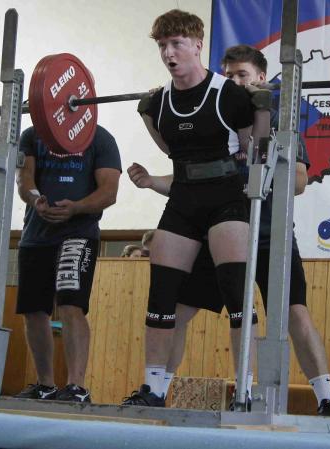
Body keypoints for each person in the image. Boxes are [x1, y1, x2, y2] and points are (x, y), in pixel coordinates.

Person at [126, 44, 330, 416]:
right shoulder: (216, 116)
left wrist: (255, 176)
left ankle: (326, 400)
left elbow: (300, 181)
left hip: (268, 235)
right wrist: (151, 182)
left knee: (294, 314)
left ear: (261, 79)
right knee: (177, 311)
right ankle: (156, 391)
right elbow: (189, 180)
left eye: (242, 75)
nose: (234, 82)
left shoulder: (275, 124)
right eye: (229, 76)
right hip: (216, 235)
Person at [122, 9, 256, 407]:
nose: (169, 53)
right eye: (163, 45)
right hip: (183, 200)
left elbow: (251, 151)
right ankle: (153, 390)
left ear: (198, 45)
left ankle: (245, 392)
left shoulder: (231, 96)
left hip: (226, 199)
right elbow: (172, 152)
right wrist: (151, 181)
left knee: (238, 297)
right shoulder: (154, 105)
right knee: (161, 297)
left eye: (177, 44)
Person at [13, 125, 121, 403]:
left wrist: (76, 207)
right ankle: (45, 385)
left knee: (71, 305)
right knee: (33, 310)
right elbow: (24, 179)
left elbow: (109, 192)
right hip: (35, 237)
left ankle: (76, 386)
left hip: (79, 233)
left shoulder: (100, 138)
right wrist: (35, 199)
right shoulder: (32, 135)